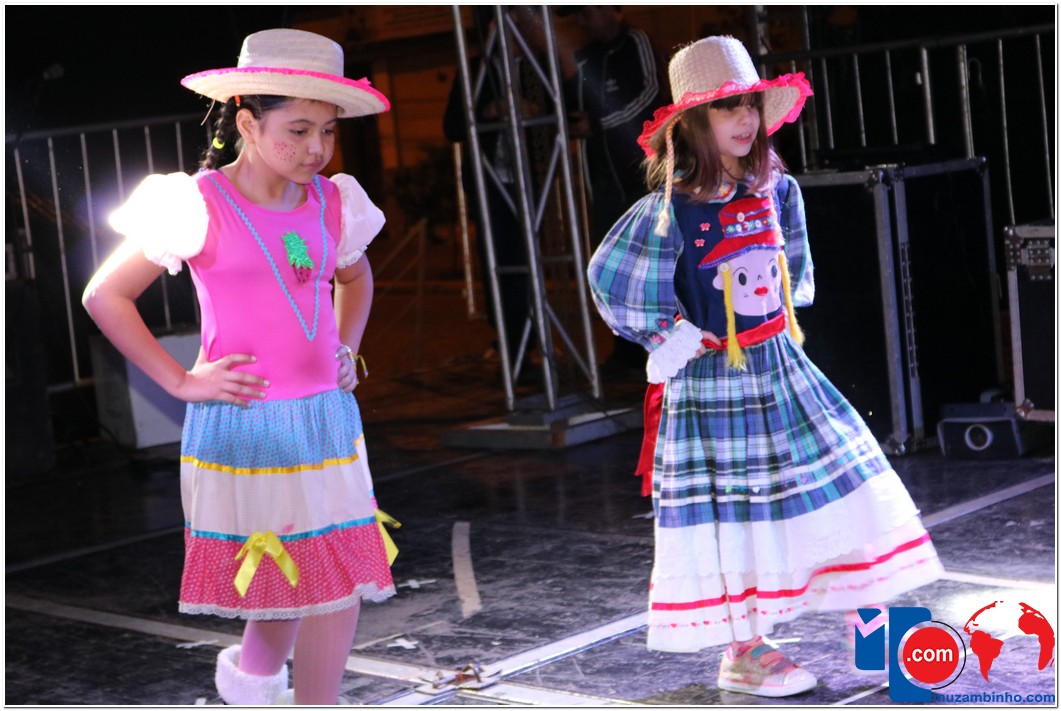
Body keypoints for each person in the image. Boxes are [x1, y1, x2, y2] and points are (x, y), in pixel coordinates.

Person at [586, 36, 944, 698]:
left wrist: (776, 326)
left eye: (750, 104)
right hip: (715, 384)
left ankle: (870, 622)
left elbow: (792, 272)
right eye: (727, 108)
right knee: (737, 515)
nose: (744, 119)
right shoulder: (669, 210)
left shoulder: (776, 190)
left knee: (842, 480)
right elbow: (609, 276)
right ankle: (744, 652)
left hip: (777, 367)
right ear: (692, 124)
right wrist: (671, 335)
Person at [82, 29, 397, 706]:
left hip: (325, 418)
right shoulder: (198, 203)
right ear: (249, 124)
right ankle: (276, 690)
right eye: (298, 130)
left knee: (326, 574)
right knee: (292, 572)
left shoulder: (332, 202)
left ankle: (257, 685)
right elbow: (105, 294)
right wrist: (180, 380)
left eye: (328, 131)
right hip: (247, 424)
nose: (316, 148)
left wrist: (346, 349)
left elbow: (354, 278)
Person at [557, 5, 671, 374]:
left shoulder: (636, 42)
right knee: (614, 267)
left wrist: (599, 122)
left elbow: (652, 94)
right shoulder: (586, 56)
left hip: (642, 177)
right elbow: (571, 105)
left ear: (611, 9)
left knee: (651, 265)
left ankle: (661, 349)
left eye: (587, 12)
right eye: (577, 15)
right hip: (603, 176)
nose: (582, 21)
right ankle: (625, 352)